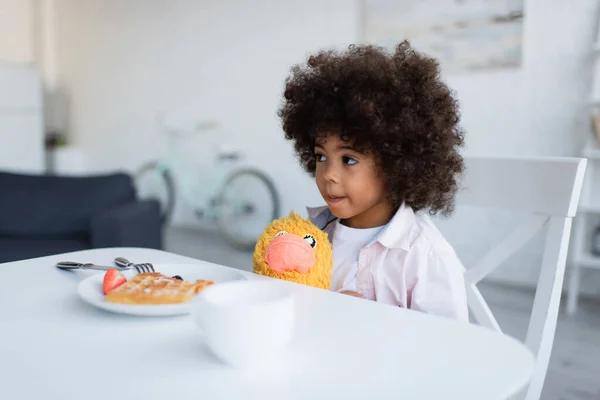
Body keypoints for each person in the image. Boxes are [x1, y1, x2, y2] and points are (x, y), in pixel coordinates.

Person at [278, 40, 469, 322]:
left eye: (349, 160)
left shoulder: (424, 257)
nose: (328, 173)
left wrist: (373, 325)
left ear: (396, 162)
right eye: (320, 156)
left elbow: (449, 350)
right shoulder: (311, 237)